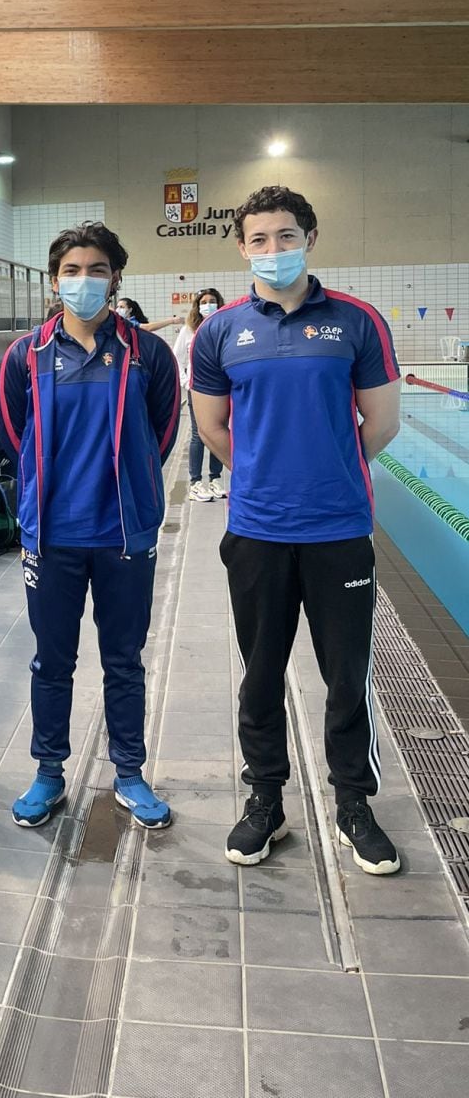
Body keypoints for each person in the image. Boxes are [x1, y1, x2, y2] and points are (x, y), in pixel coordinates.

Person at [191, 185, 403, 876]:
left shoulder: (356, 322)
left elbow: (384, 421)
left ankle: (353, 802)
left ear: (309, 237)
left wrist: (327, 471)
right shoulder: (222, 331)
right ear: (242, 247)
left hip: (338, 529)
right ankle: (264, 801)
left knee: (346, 674)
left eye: (286, 236)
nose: (273, 250)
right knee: (260, 674)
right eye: (259, 239)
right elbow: (210, 425)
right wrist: (262, 475)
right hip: (256, 529)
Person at [0, 222, 180, 829]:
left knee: (123, 660)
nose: (83, 281)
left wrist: (128, 489)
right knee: (53, 661)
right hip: (52, 536)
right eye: (71, 271)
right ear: (55, 280)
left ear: (115, 277)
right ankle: (49, 770)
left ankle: (129, 772)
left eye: (96, 269)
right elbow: (17, 433)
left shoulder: (146, 353)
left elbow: (161, 435)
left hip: (124, 533)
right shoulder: (26, 354)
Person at [172, 289, 226, 501]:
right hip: (197, 389)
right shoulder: (189, 330)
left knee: (220, 431)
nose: (208, 305)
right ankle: (195, 482)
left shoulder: (224, 325)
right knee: (198, 434)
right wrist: (186, 383)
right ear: (197, 305)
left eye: (213, 301)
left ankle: (215, 478)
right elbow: (177, 358)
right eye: (204, 302)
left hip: (221, 390)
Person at [115, 296, 182, 334]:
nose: (118, 309)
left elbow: (148, 327)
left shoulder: (130, 322)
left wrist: (171, 320)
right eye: (117, 307)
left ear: (130, 310)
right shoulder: (120, 321)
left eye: (122, 307)